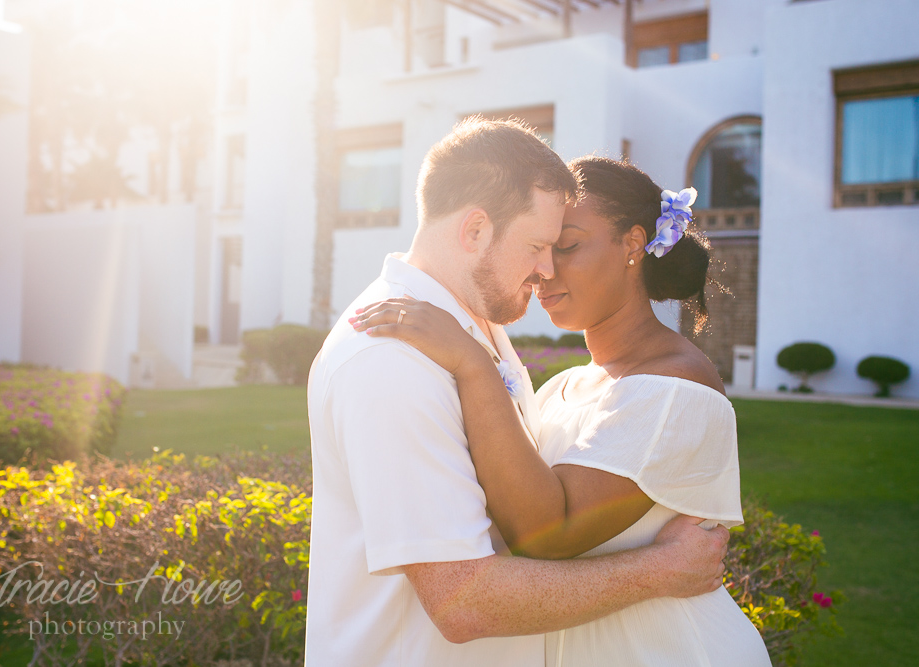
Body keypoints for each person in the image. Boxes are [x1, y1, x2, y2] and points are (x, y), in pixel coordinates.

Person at [306, 120, 731, 666]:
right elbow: (466, 601)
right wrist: (662, 570)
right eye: (539, 245)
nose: (546, 270)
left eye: (561, 247)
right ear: (476, 231)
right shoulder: (392, 357)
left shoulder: (476, 332)